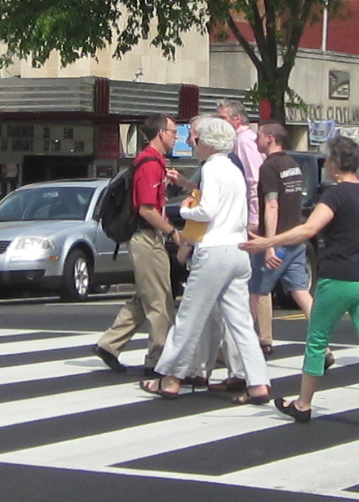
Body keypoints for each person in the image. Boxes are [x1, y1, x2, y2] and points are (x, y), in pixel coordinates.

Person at [247, 136, 359, 429]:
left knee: (317, 339)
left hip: (339, 277)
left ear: (334, 163)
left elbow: (308, 229)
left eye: (327, 160)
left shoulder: (334, 195)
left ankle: (303, 404)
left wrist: (270, 241)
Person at [146, 113, 267, 402]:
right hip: (238, 250)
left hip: (214, 250)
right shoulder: (234, 170)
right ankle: (258, 382)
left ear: (209, 143)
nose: (195, 144)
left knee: (189, 315)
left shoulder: (212, 169)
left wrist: (186, 209)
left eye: (198, 140)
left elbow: (207, 210)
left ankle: (171, 378)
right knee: (240, 322)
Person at [94, 118, 181, 373]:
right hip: (146, 237)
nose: (177, 136)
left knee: (145, 295)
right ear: (161, 133)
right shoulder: (150, 164)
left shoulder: (155, 163)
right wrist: (173, 232)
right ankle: (157, 361)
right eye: (174, 132)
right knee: (160, 301)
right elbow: (146, 209)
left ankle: (108, 345)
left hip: (149, 236)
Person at [249, 135, 313, 356]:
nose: (256, 140)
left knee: (255, 292)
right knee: (301, 292)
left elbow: (272, 205)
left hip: (277, 241)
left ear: (270, 138)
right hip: (295, 237)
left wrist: (268, 244)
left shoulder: (269, 166)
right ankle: (322, 346)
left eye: (259, 136)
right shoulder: (292, 165)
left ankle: (239, 348)